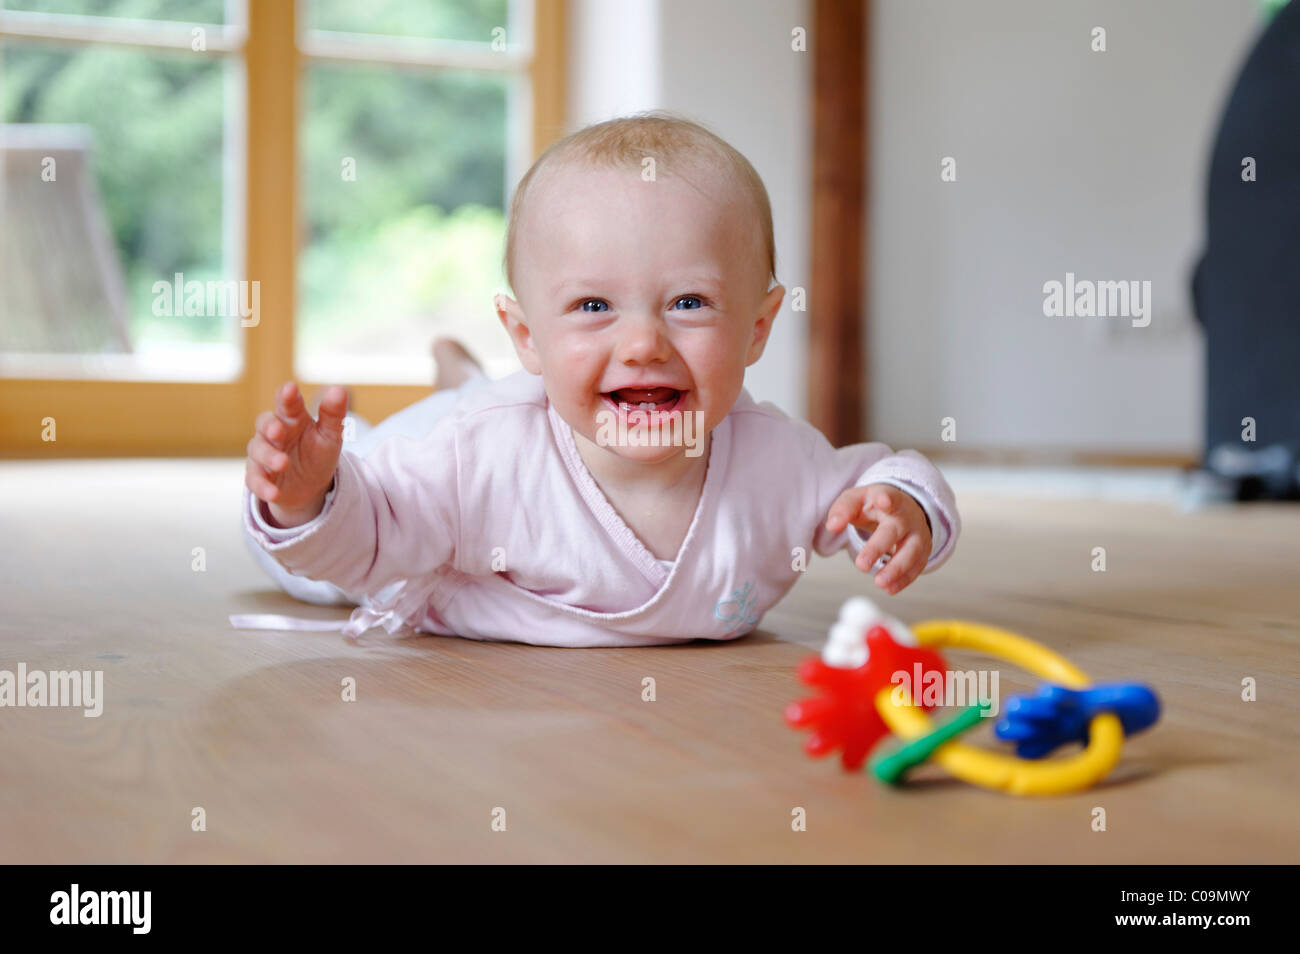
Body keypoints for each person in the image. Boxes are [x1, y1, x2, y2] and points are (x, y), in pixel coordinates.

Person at [241, 112, 961, 647]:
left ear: (758, 328)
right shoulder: (473, 457)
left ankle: (459, 374)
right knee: (317, 576)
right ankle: (449, 390)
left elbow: (880, 473)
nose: (644, 343)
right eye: (593, 307)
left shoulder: (779, 462)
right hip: (456, 435)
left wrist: (905, 506)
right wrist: (309, 498)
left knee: (466, 406)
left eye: (689, 304)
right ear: (528, 334)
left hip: (501, 402)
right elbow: (365, 542)